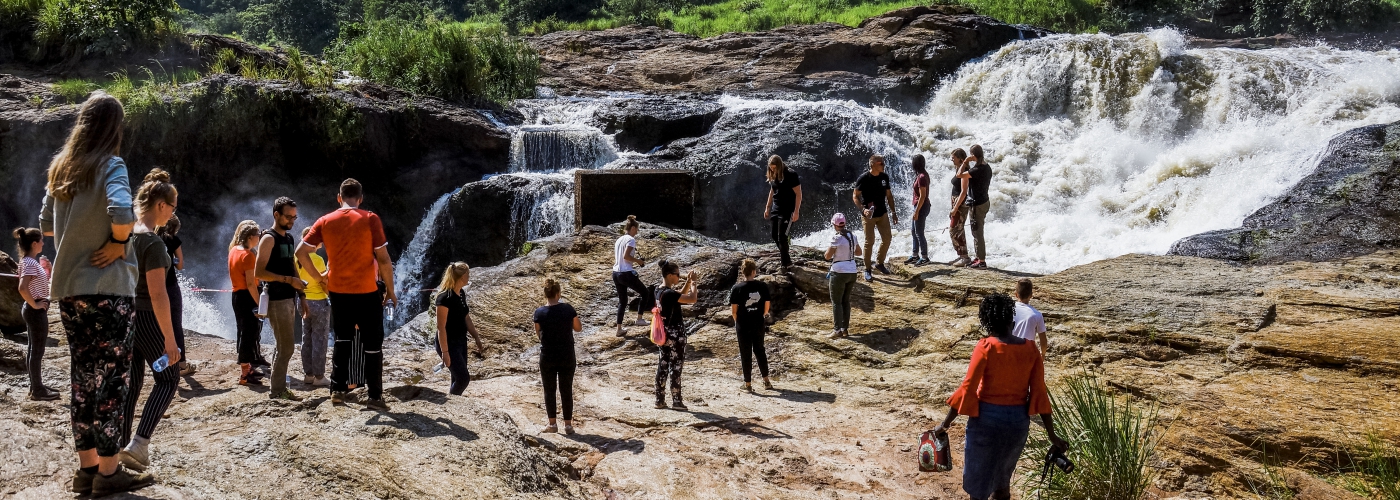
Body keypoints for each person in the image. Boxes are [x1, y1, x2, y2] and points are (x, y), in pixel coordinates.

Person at [39, 92, 155, 494]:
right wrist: (119, 242)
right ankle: (108, 474)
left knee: (83, 378)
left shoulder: (61, 169)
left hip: (70, 292)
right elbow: (123, 212)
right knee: (112, 381)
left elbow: (45, 224)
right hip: (108, 291)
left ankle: (85, 469)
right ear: (113, 128)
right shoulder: (111, 164)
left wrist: (76, 239)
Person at [930, 292, 1068, 500]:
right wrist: (1052, 435)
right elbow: (1039, 391)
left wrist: (945, 424)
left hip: (986, 421)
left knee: (979, 483)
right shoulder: (1031, 349)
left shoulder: (986, 346)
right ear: (1012, 321)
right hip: (1017, 423)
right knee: (1002, 480)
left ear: (987, 323)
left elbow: (968, 388)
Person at [297, 178, 397, 411]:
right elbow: (383, 258)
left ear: (339, 197)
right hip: (366, 291)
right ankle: (374, 396)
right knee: (372, 345)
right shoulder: (370, 219)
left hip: (338, 291)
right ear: (360, 199)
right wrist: (390, 290)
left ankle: (337, 391)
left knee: (342, 340)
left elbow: (301, 252)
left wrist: (321, 276)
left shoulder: (324, 221)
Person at [117, 169, 182, 473]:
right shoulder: (153, 243)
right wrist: (170, 339)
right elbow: (158, 295)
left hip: (124, 316)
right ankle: (139, 445)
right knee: (168, 378)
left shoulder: (124, 232)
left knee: (132, 383)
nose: (172, 214)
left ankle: (118, 445)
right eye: (172, 207)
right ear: (159, 205)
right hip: (147, 318)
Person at [254, 197, 306, 401]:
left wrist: (302, 294)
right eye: (288, 216)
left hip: (289, 297)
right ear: (276, 215)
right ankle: (277, 391)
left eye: (294, 217)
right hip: (276, 299)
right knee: (287, 346)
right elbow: (259, 272)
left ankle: (278, 388)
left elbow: (292, 265)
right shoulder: (268, 238)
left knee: (282, 345)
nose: (292, 220)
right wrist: (288, 280)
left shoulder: (289, 238)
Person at [13, 227, 58, 400]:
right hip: (34, 311)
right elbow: (23, 288)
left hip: (32, 309)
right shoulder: (30, 263)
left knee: (34, 350)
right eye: (41, 240)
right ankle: (38, 391)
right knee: (37, 351)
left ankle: (36, 386)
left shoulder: (28, 261)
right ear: (34, 243)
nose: (43, 243)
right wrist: (36, 304)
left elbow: (34, 283)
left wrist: (46, 269)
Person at [534, 277, 581, 434]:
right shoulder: (568, 309)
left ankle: (552, 424)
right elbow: (578, 328)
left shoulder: (539, 312)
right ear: (558, 293)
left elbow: (538, 333)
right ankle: (568, 425)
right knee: (566, 389)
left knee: (549, 389)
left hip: (547, 355)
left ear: (546, 294)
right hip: (567, 354)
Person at [434, 262, 484, 396]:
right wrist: (445, 352)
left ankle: (454, 402)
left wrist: (476, 337)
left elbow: (466, 317)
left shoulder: (461, 293)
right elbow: (441, 328)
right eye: (468, 274)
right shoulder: (444, 298)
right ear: (462, 277)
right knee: (463, 379)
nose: (469, 276)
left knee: (456, 377)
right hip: (448, 343)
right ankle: (452, 403)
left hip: (460, 341)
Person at [654, 260, 698, 410]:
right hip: (675, 333)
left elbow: (678, 296)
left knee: (663, 364)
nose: (679, 276)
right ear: (670, 275)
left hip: (663, 334)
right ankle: (677, 401)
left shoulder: (658, 291)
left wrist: (687, 281)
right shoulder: (670, 293)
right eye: (677, 274)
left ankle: (659, 399)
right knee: (676, 366)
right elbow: (692, 299)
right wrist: (694, 283)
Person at [228, 220, 267, 386]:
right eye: (258, 235)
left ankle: (247, 367)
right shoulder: (248, 255)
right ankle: (245, 374)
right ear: (251, 237)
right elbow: (251, 283)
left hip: (237, 296)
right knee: (249, 334)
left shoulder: (234, 250)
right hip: (247, 296)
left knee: (242, 331)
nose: (260, 238)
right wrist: (260, 304)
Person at [156, 215, 194, 376]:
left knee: (158, 325)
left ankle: (161, 362)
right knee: (176, 324)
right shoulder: (174, 240)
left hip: (156, 286)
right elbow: (180, 265)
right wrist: (173, 259)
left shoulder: (153, 239)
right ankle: (181, 364)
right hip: (171, 287)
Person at [728, 258, 772, 391]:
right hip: (758, 322)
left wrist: (738, 322)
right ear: (754, 271)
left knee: (745, 353)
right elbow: (766, 308)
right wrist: (762, 315)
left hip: (742, 324)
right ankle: (766, 381)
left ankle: (747, 384)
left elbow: (734, 311)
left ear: (743, 272)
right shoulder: (762, 286)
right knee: (760, 350)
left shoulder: (737, 288)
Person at [852, 154, 897, 281]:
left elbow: (889, 196)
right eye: (880, 163)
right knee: (869, 242)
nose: (883, 165)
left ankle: (879, 263)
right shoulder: (864, 178)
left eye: (883, 162)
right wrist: (863, 209)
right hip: (869, 216)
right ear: (872, 165)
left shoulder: (884, 177)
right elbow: (855, 196)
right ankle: (867, 269)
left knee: (887, 238)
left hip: (882, 213)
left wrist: (893, 212)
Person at [297, 226, 331, 387]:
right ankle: (319, 376)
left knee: (306, 337)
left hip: (302, 300)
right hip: (318, 302)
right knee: (320, 339)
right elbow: (323, 282)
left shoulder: (295, 258)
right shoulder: (318, 260)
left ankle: (308, 374)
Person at [611, 215, 652, 336]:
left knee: (622, 301)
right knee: (645, 293)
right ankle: (639, 319)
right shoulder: (631, 239)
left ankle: (619, 329)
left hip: (616, 273)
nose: (637, 232)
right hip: (625, 273)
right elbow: (626, 256)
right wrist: (638, 261)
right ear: (633, 228)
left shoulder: (619, 239)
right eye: (637, 229)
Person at [824, 213, 861, 339]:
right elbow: (859, 252)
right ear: (844, 223)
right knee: (846, 301)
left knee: (836, 302)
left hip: (839, 272)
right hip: (852, 271)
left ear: (834, 224)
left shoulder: (836, 238)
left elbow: (827, 256)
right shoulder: (853, 236)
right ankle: (845, 329)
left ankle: (837, 330)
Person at [763, 155, 802, 268]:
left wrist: (796, 211)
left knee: (782, 236)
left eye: (774, 168)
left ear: (779, 165)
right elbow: (772, 190)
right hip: (776, 208)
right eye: (770, 168)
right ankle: (786, 257)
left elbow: (798, 194)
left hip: (787, 210)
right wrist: (767, 207)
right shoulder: (773, 174)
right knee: (774, 235)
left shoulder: (791, 174)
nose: (772, 170)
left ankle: (786, 263)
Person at [964, 145, 994, 269]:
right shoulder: (987, 167)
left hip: (977, 204)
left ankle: (981, 261)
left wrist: (965, 161)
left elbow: (960, 175)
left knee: (977, 233)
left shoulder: (976, 170)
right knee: (977, 231)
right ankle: (978, 257)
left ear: (973, 156)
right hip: (985, 201)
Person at [905, 154, 932, 266]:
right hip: (919, 206)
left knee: (919, 232)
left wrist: (916, 212)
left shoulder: (921, 177)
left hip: (921, 206)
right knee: (913, 231)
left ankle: (925, 257)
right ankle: (915, 255)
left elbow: (922, 196)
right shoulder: (921, 175)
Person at [1012, 279, 1048, 359]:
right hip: (1026, 355)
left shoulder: (1007, 310)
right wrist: (1043, 354)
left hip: (1008, 352)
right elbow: (1043, 341)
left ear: (1016, 295)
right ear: (1031, 295)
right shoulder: (1037, 315)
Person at [948, 149, 972, 267]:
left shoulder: (965, 171)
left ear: (960, 159)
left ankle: (964, 257)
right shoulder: (959, 169)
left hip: (960, 204)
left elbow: (963, 192)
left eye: (954, 157)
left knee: (954, 230)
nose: (952, 159)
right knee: (957, 230)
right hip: (956, 202)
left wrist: (955, 207)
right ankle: (961, 255)